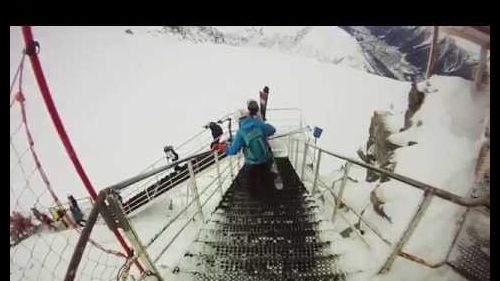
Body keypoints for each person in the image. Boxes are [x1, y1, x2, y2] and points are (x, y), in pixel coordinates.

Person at [225, 100, 276, 198]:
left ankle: (256, 198)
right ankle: (270, 198)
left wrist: (225, 149)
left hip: (251, 164)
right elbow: (272, 130)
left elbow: (233, 150)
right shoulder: (258, 124)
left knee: (252, 186)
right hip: (265, 160)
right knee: (266, 181)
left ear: (238, 120)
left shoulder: (240, 132)